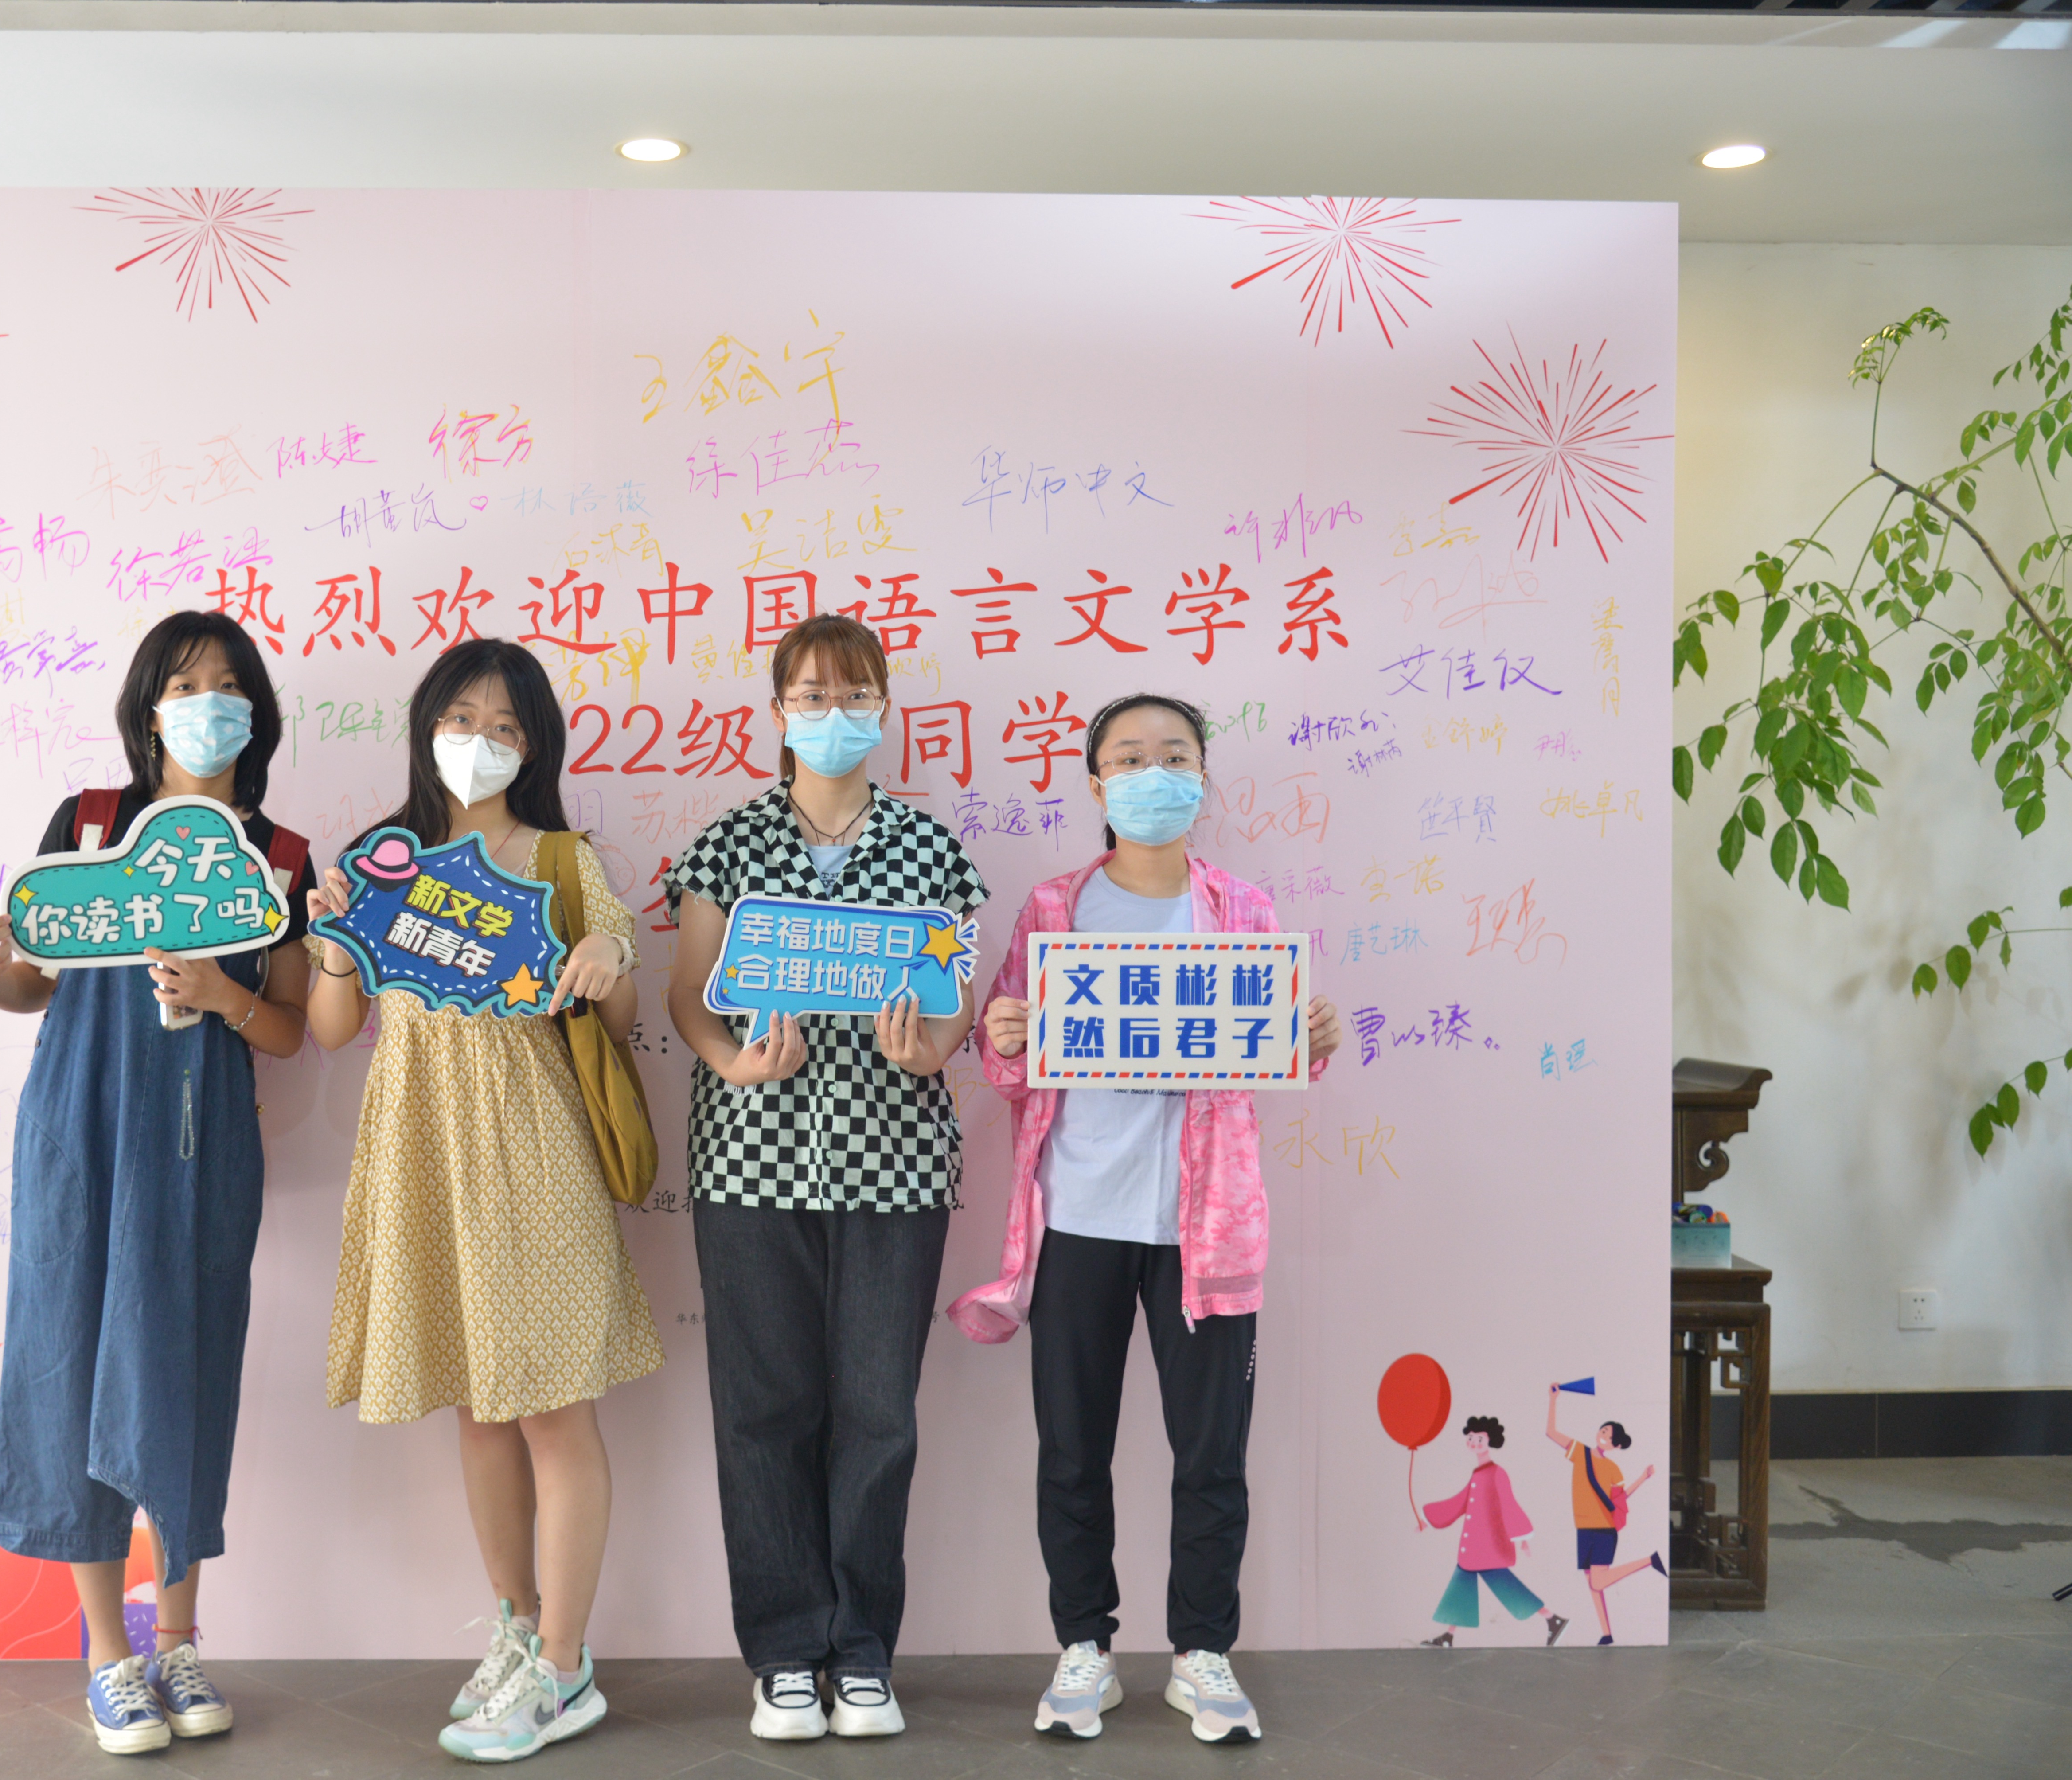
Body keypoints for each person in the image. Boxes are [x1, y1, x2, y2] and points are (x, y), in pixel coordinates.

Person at [0, 610, 317, 1756]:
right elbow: (42, 985)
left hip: (205, 1146)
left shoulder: (279, 856)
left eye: (228, 686)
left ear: (256, 713)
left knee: (186, 1369)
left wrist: (222, 995)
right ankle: (110, 1655)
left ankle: (179, 1640)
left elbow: (292, 1028)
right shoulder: (90, 824)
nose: (209, 705)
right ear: (147, 708)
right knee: (71, 1360)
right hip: (81, 1128)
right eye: (185, 685)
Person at [952, 692, 1341, 1746]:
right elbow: (1004, 1060)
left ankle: (1201, 1653)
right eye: (1128, 756)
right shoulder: (1054, 907)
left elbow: (1273, 1050)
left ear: (1202, 777)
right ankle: (1083, 1645)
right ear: (1095, 782)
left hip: (1205, 1228)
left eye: (1173, 754)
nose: (1151, 772)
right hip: (1078, 1214)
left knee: (1210, 1454)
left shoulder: (1241, 910)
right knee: (1070, 1448)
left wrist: (1308, 1037)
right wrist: (1003, 1031)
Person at [304, 637, 663, 1766]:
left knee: (552, 1409)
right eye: (463, 718)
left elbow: (618, 1020)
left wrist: (604, 953)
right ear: (426, 727)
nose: (481, 741)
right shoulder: (379, 860)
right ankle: (516, 1629)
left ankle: (563, 1664)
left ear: (535, 745)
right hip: (420, 1148)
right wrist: (329, 944)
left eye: (507, 726)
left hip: (535, 1151)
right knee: (478, 1403)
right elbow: (331, 1029)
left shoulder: (561, 858)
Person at [663, 613, 991, 1743]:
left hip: (894, 1165)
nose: (833, 712)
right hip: (751, 1161)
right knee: (762, 1411)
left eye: (854, 693)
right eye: (811, 694)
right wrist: (730, 1063)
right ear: (777, 712)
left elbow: (949, 1008)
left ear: (884, 707)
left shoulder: (931, 849)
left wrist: (928, 1051)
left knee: (877, 1413)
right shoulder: (727, 842)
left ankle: (861, 1652)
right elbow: (688, 993)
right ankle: (782, 1652)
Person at [1417, 1416, 1568, 1648]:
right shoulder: (1478, 1474)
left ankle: (1553, 1619)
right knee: (1464, 1586)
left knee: (1503, 1587)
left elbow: (1509, 1503)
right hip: (1476, 1548)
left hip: (1489, 1546)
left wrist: (1522, 1537)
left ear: (1490, 1441)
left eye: (1479, 1439)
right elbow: (1460, 1502)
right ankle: (1449, 1637)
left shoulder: (1497, 1473)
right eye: (1471, 1438)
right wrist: (1428, 1519)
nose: (1474, 1443)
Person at [1544, 1386, 1662, 1644]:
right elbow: (1551, 1433)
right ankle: (1607, 1634)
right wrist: (1554, 1400)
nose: (1604, 1435)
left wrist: (1643, 1478)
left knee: (1598, 1583)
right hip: (1583, 1528)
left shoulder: (1613, 1468)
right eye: (1604, 1430)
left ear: (1616, 1445)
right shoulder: (1581, 1452)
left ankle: (1650, 1561)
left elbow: (1620, 1500)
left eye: (1609, 1435)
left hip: (1604, 1529)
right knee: (1593, 1585)